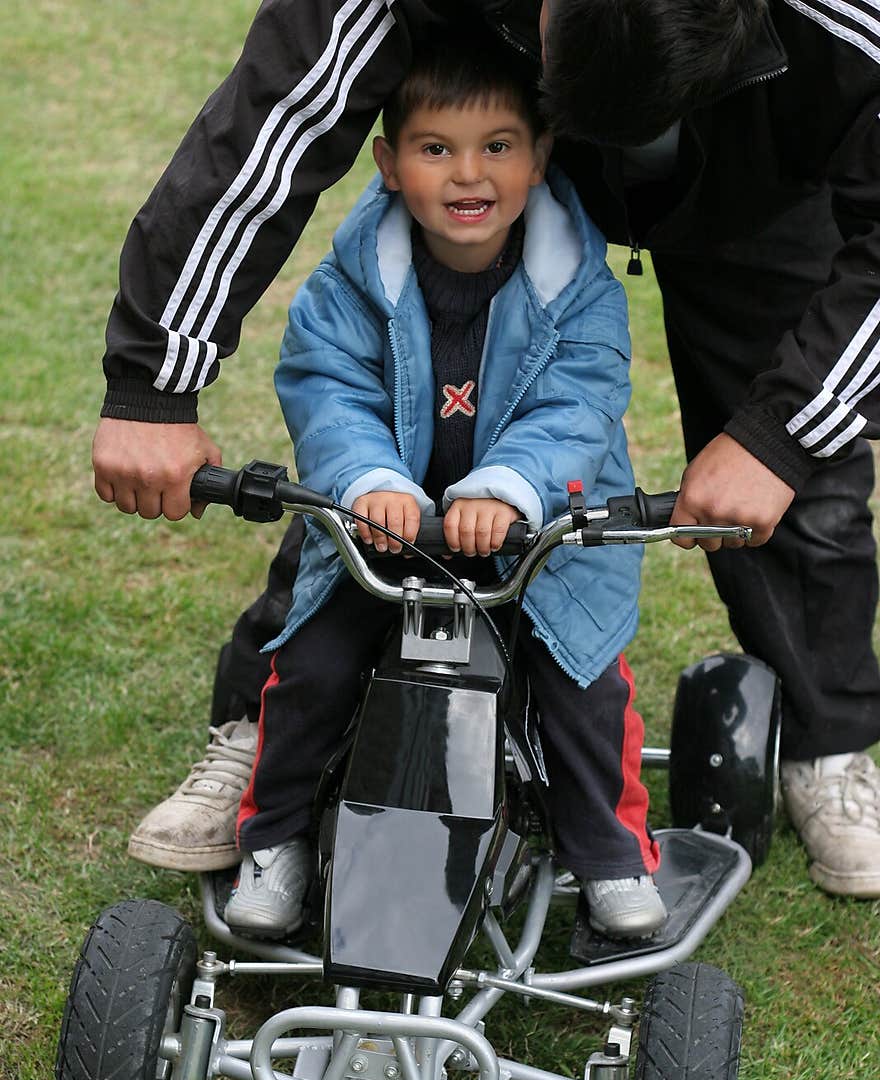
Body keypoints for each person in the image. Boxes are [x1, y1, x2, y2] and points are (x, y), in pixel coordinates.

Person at [95, 0, 880, 899]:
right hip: (508, 145)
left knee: (803, 486)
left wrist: (781, 439)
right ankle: (265, 728)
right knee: (392, 432)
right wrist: (155, 378)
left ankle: (829, 748)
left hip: (767, 174)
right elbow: (280, 115)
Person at [218, 32, 666, 938]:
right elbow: (326, 388)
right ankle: (275, 837)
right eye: (436, 149)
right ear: (388, 164)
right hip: (388, 531)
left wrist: (507, 489)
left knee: (581, 682)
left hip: (544, 535)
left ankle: (611, 851)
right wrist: (369, 480)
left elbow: (581, 403)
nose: (469, 175)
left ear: (540, 157)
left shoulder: (576, 283)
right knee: (313, 666)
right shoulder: (351, 280)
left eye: (497, 145)